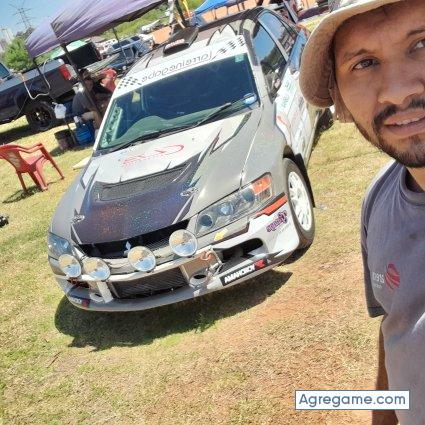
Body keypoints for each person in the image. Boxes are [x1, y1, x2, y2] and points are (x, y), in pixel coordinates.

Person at [299, 0, 425, 423]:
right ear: (340, 101)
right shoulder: (379, 200)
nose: (397, 90)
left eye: (422, 43)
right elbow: (395, 326)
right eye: (364, 63)